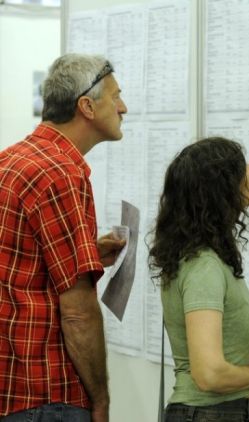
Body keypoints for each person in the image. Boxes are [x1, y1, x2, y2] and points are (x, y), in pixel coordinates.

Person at [0, 53, 128, 422]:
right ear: (86, 106)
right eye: (116, 96)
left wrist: (85, 251)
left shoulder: (14, 159)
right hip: (45, 392)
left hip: (14, 386)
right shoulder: (61, 174)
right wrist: (100, 399)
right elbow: (77, 312)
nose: (123, 107)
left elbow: (22, 263)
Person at [148, 137, 249, 422]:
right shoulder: (203, 266)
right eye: (241, 168)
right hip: (212, 413)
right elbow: (209, 374)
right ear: (222, 189)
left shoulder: (202, 256)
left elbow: (218, 329)